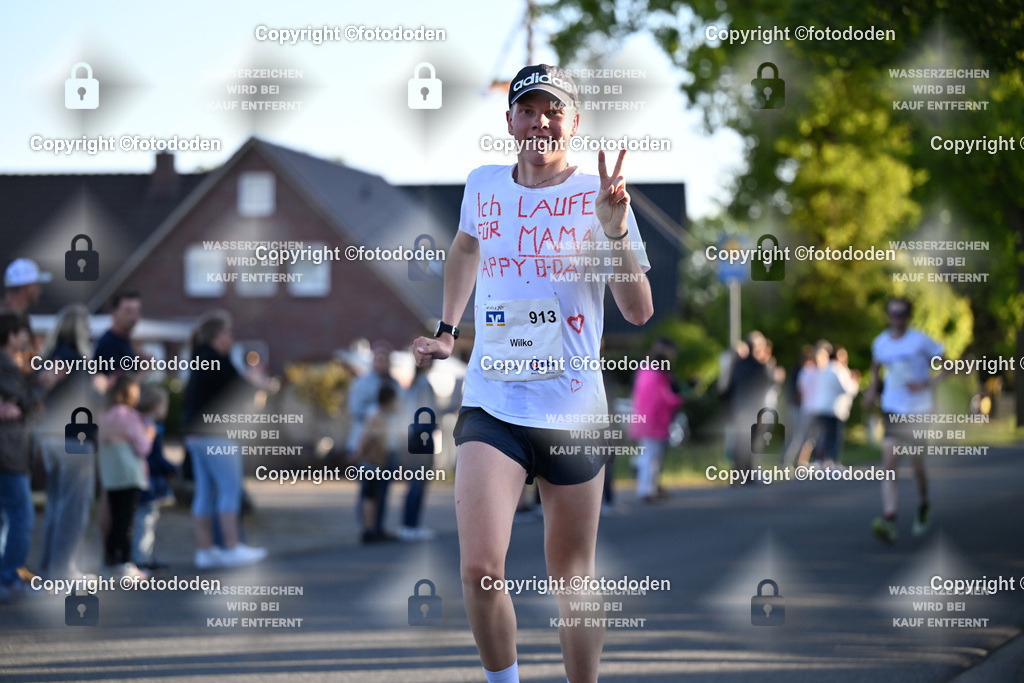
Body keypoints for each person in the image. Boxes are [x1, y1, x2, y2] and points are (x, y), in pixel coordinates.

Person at [414, 63, 652, 683]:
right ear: (510, 120)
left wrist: (615, 229)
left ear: (573, 122)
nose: (540, 121)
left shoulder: (601, 199)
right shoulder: (483, 184)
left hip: (573, 411)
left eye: (554, 110)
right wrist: (447, 329)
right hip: (494, 402)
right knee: (479, 570)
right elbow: (466, 247)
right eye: (529, 108)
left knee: (572, 577)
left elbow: (638, 309)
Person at [182, 310, 267, 569]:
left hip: (195, 435)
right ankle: (232, 547)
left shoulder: (198, 358)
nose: (231, 338)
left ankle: (205, 551)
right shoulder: (218, 359)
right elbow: (237, 394)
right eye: (228, 333)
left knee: (205, 493)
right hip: (218, 435)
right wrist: (254, 380)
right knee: (229, 489)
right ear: (219, 335)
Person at [864, 297, 946, 543]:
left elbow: (947, 367)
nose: (896, 318)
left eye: (901, 313)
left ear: (908, 316)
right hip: (892, 408)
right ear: (888, 316)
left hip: (919, 409)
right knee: (889, 461)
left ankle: (923, 503)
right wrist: (871, 391)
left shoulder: (921, 341)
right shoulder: (880, 342)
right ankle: (889, 517)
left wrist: (925, 383)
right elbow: (876, 368)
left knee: (916, 463)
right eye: (892, 313)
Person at [37, 304, 97, 581]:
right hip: (74, 439)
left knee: (56, 505)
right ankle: (63, 572)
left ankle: (50, 569)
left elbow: (41, 387)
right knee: (72, 508)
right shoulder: (74, 358)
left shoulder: (50, 355)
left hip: (49, 437)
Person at [0, 310, 43, 601]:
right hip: (8, 451)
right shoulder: (4, 365)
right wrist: (44, 384)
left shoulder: (12, 364)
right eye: (23, 334)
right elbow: (22, 402)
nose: (26, 340)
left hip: (11, 450)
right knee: (22, 515)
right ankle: (10, 575)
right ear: (12, 336)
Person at [97, 374, 154, 578]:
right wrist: (148, 435)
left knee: (114, 518)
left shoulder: (103, 415)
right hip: (129, 473)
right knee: (126, 520)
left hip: (110, 474)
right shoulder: (128, 416)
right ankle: (126, 563)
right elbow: (143, 447)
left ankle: (110, 561)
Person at [346, 342, 400, 538]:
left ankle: (378, 528)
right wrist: (378, 413)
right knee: (368, 491)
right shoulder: (362, 383)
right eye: (379, 358)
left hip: (388, 446)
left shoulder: (394, 384)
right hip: (368, 446)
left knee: (383, 491)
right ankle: (366, 529)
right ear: (373, 360)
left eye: (386, 359)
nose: (382, 362)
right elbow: (356, 410)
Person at [630, 338, 682, 502]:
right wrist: (680, 399)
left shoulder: (644, 371)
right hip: (655, 420)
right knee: (652, 457)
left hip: (643, 418)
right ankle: (647, 490)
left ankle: (647, 485)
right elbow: (663, 398)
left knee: (648, 455)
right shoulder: (659, 375)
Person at [133, 384, 175, 570]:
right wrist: (172, 468)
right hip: (147, 482)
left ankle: (141, 556)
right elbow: (153, 457)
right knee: (145, 520)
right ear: (157, 406)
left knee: (141, 520)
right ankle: (141, 558)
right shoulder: (151, 428)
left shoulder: (138, 423)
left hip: (139, 479)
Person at [355, 385, 401, 544]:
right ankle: (368, 531)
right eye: (395, 401)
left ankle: (374, 528)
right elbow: (367, 438)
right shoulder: (378, 418)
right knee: (370, 497)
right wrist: (360, 456)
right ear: (389, 401)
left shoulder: (385, 417)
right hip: (371, 464)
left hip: (378, 463)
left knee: (375, 497)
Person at [399, 364, 438, 540]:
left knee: (415, 482)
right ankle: (411, 525)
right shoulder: (423, 384)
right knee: (418, 483)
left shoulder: (415, 384)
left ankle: (409, 524)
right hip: (421, 437)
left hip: (414, 436)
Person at [807, 342, 860, 469]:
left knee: (822, 436)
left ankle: (820, 461)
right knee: (834, 437)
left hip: (820, 407)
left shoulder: (823, 369)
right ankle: (832, 462)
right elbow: (847, 389)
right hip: (834, 409)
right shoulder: (838, 370)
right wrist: (854, 381)